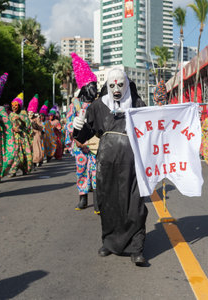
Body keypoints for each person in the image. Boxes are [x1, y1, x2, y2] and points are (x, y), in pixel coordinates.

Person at [72, 68, 147, 266]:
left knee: (135, 205)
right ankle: (109, 242)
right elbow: (82, 136)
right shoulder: (97, 106)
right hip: (106, 163)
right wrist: (77, 126)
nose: (116, 89)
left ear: (126, 84)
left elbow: (150, 133)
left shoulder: (138, 104)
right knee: (108, 202)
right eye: (112, 85)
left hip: (132, 164)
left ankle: (136, 248)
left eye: (120, 85)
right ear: (107, 86)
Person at [65, 52, 98, 212]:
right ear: (84, 88)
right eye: (91, 86)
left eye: (95, 85)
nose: (94, 89)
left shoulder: (99, 104)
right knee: (81, 170)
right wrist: (77, 140)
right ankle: (83, 198)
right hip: (80, 145)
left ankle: (98, 201)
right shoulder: (75, 104)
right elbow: (69, 124)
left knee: (97, 172)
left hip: (95, 145)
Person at [9, 93, 33, 177]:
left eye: (16, 105)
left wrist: (20, 120)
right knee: (16, 154)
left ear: (19, 106)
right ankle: (13, 171)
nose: (14, 107)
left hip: (23, 137)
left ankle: (25, 169)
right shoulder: (11, 115)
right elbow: (8, 126)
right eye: (12, 105)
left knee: (25, 155)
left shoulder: (23, 114)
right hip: (14, 137)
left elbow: (28, 126)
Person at [27, 94, 44, 168]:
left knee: (37, 148)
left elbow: (41, 127)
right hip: (29, 135)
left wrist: (35, 125)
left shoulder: (37, 118)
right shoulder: (27, 117)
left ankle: (37, 160)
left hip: (36, 134)